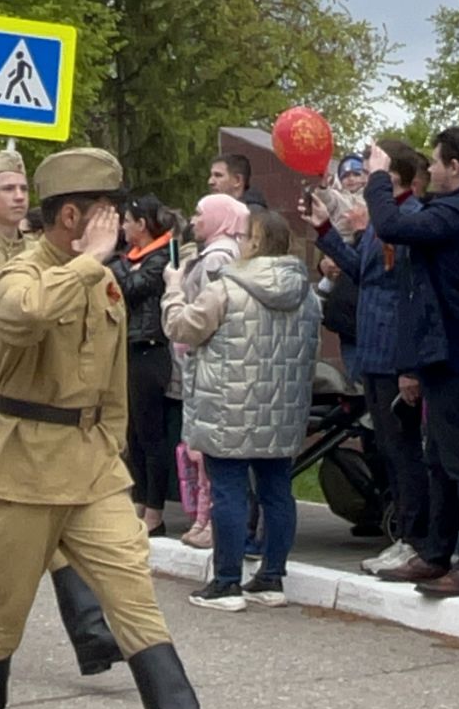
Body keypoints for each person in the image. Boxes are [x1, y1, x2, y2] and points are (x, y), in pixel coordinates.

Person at [0, 145, 275, 709]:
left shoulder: (99, 277)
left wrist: (110, 445)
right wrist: (88, 262)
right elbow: (21, 318)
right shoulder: (23, 271)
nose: (118, 219)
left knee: (134, 597)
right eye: (106, 209)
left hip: (92, 467)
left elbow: (111, 378)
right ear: (72, 216)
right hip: (23, 466)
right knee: (5, 607)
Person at [0, 148, 122, 675]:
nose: (18, 197)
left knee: (50, 522)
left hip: (42, 410)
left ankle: (89, 632)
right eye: (6, 188)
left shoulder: (48, 255)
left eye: (22, 188)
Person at [371, 127, 459, 597]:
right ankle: (436, 552)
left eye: (435, 162)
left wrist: (379, 178)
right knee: (439, 457)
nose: (429, 169)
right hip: (444, 348)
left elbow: (393, 226)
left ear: (456, 167)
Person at [163, 210, 321, 610]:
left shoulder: (226, 289)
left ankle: (227, 582)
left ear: (254, 242)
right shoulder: (306, 294)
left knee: (229, 490)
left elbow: (182, 328)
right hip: (283, 410)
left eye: (244, 235)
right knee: (277, 491)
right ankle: (272, 577)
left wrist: (173, 290)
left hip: (227, 407)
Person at [309, 141, 437, 574]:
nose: (362, 178)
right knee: (388, 447)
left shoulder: (407, 218)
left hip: (395, 353)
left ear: (393, 174)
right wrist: (325, 230)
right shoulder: (384, 220)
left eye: (371, 169)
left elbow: (410, 294)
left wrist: (410, 366)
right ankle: (404, 534)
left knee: (403, 450)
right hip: (373, 350)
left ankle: (416, 536)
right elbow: (363, 272)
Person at [173, 194, 249, 548]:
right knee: (199, 443)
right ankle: (204, 517)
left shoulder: (218, 257)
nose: (193, 220)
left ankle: (210, 519)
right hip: (199, 357)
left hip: (206, 358)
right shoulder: (215, 253)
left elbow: (205, 313)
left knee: (205, 443)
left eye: (200, 213)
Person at [111, 194, 180, 534]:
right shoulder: (131, 258)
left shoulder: (162, 257)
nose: (122, 227)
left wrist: (116, 264)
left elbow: (129, 288)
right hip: (129, 348)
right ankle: (139, 500)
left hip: (150, 350)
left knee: (152, 434)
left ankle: (155, 510)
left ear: (142, 224)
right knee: (134, 433)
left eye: (127, 221)